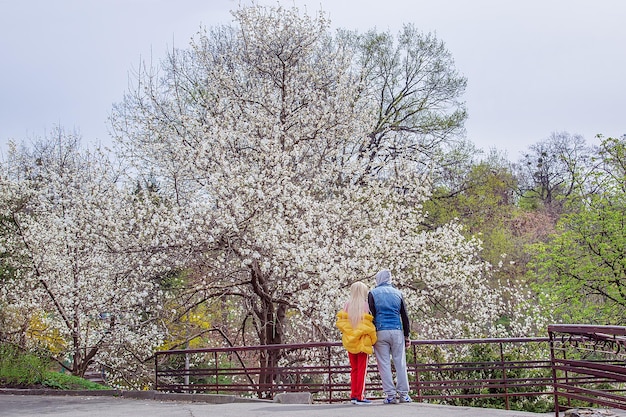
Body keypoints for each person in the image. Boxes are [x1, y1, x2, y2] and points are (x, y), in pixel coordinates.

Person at [368, 269, 412, 404]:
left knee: (384, 364)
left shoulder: (372, 293)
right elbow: (404, 316)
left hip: (380, 331)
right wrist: (407, 335)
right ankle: (404, 394)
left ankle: (390, 395)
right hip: (397, 330)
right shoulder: (398, 293)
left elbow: (371, 315)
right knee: (400, 362)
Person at [336, 281, 378, 405]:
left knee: (354, 369)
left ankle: (354, 395)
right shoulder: (365, 306)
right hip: (362, 341)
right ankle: (360, 396)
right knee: (362, 369)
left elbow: (343, 323)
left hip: (350, 341)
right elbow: (369, 325)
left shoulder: (347, 305)